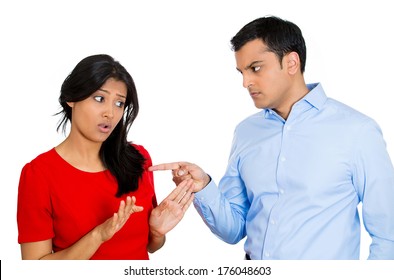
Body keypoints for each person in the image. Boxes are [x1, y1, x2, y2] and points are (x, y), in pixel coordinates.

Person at [149, 16, 394, 259]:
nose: (246, 82)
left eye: (255, 68)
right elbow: (234, 229)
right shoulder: (246, 132)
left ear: (291, 63)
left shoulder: (357, 131)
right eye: (241, 72)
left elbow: (388, 236)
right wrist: (203, 187)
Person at [17, 54, 194, 260]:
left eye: (119, 103)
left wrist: (156, 233)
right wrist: (98, 235)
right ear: (72, 98)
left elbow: (150, 246)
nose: (110, 113)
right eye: (99, 99)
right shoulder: (38, 174)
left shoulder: (138, 159)